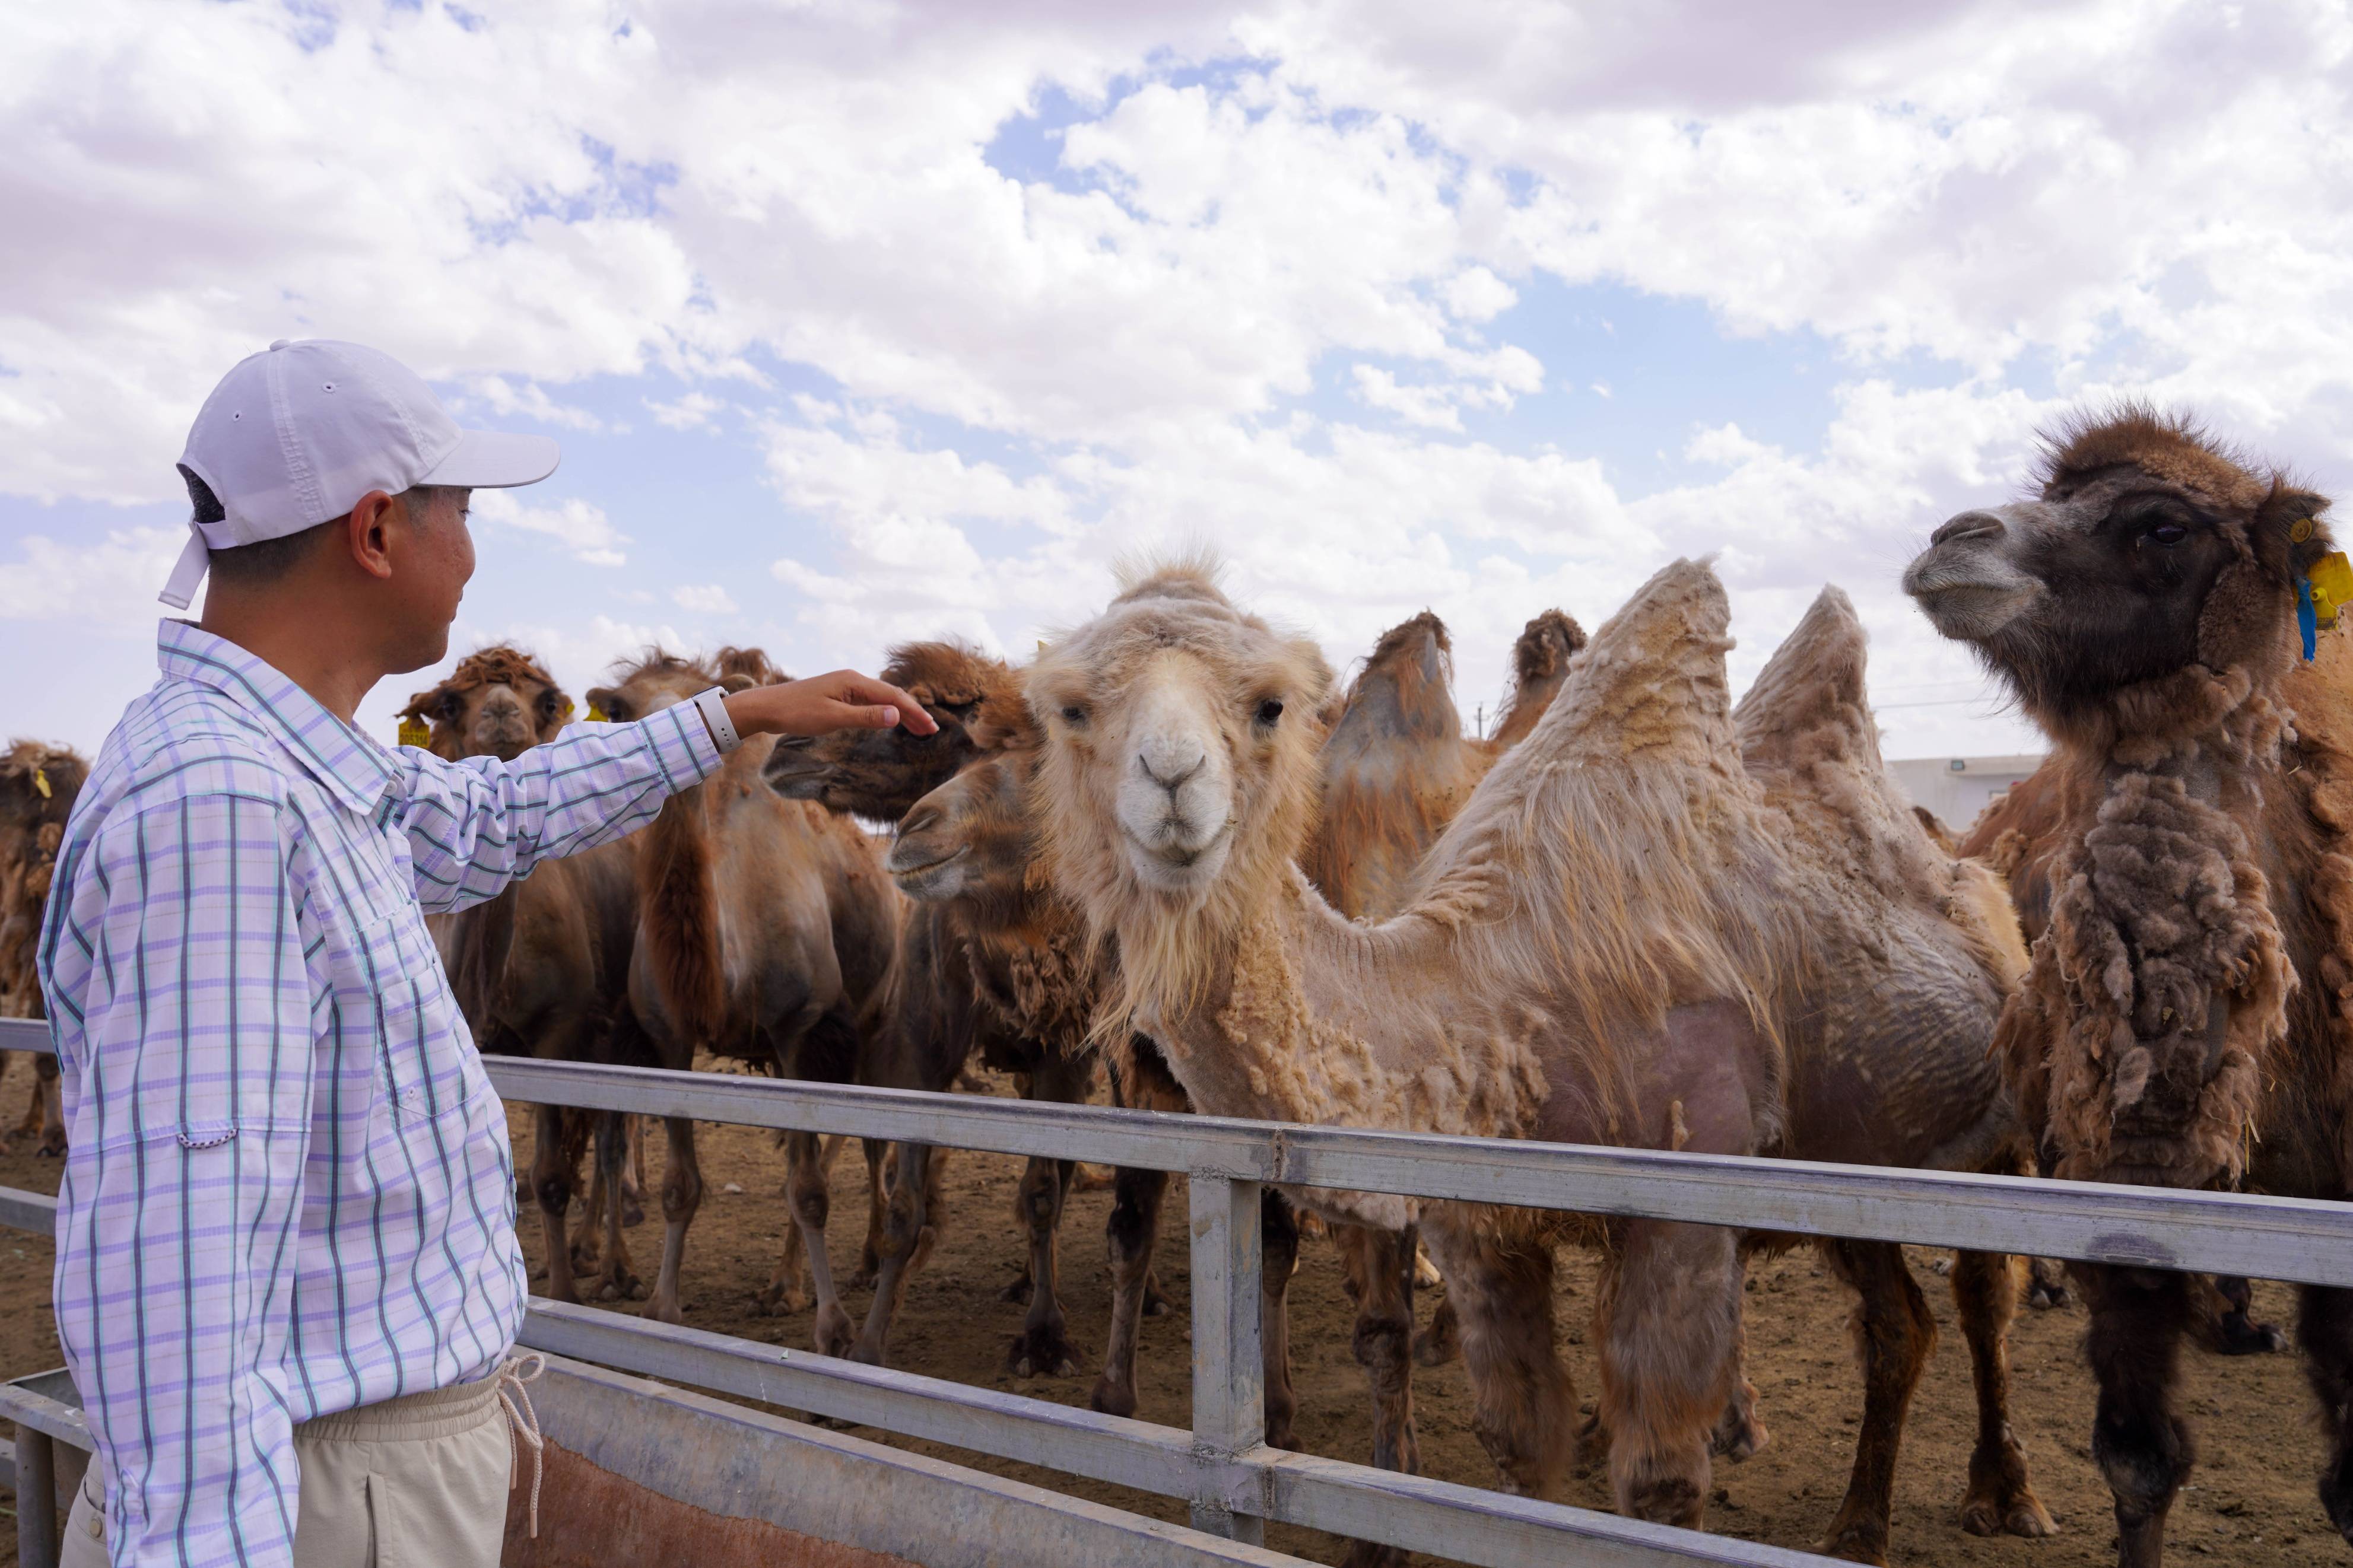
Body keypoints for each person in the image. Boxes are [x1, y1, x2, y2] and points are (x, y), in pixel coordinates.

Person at [35, 339, 937, 1567]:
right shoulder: (219, 805)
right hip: (321, 1498)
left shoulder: (297, 774)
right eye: (459, 507)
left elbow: (489, 815)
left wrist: (734, 718)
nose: (473, 542)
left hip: (368, 1477)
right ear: (374, 532)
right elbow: (178, 1295)